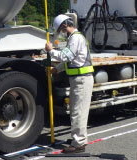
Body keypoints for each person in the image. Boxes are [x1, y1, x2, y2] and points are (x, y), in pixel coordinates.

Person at [45, 14, 94, 153]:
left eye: (61, 30)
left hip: (81, 79)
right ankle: (78, 139)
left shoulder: (75, 38)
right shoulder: (75, 38)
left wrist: (51, 51)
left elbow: (66, 56)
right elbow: (71, 60)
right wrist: (57, 69)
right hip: (79, 80)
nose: (61, 33)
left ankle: (78, 144)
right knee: (76, 111)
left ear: (65, 25)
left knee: (78, 113)